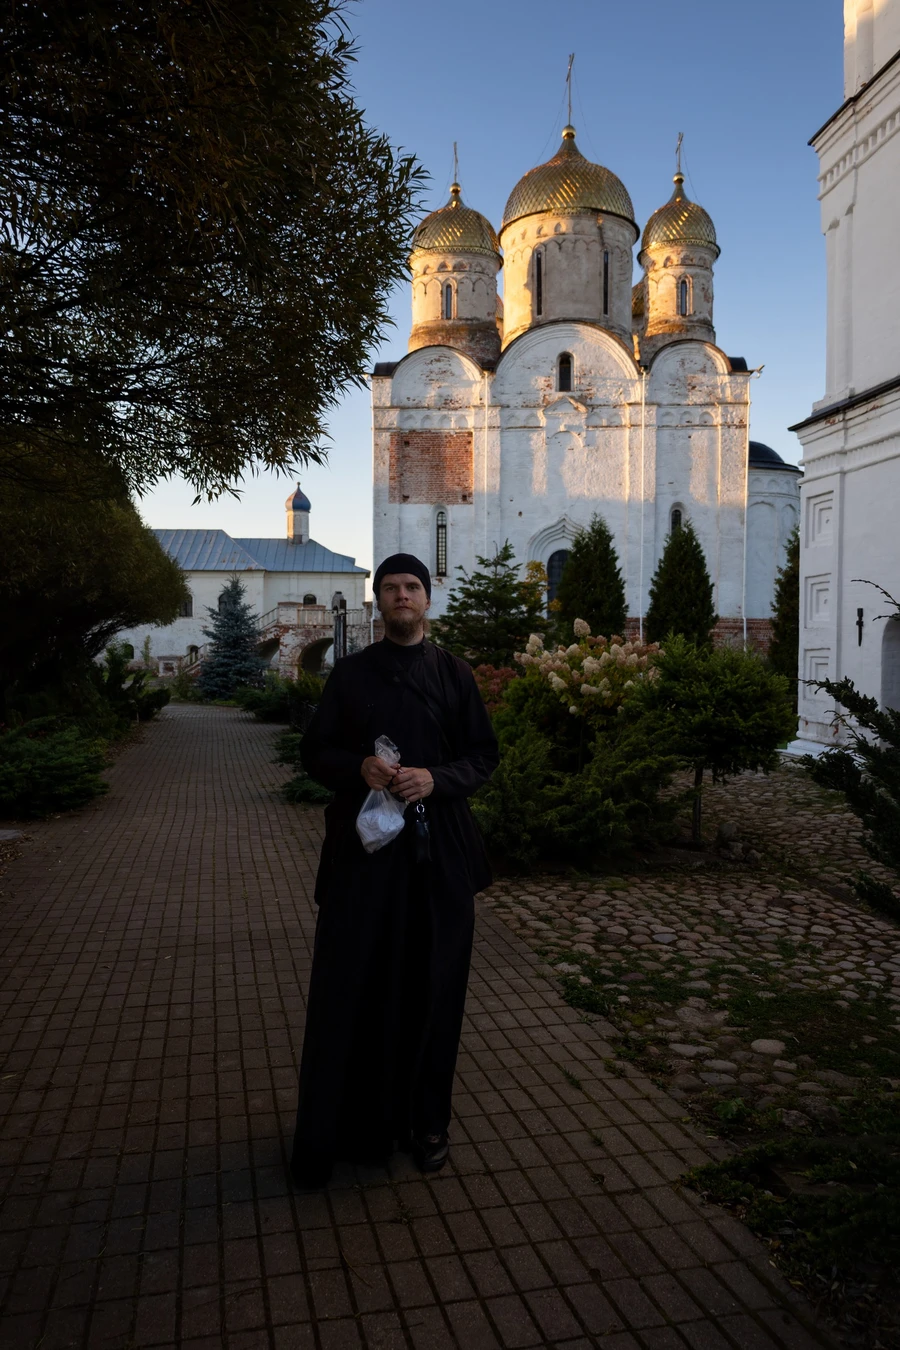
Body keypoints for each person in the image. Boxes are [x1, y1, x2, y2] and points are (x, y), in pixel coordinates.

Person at [289, 553, 499, 1189]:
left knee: (435, 990)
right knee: (355, 985)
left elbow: (483, 756)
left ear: (427, 599)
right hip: (365, 860)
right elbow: (315, 751)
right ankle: (357, 1126)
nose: (402, 596)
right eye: (390, 588)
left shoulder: (454, 675)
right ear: (378, 601)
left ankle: (428, 1123)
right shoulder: (351, 674)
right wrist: (358, 767)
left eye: (412, 587)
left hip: (439, 859)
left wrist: (436, 778)